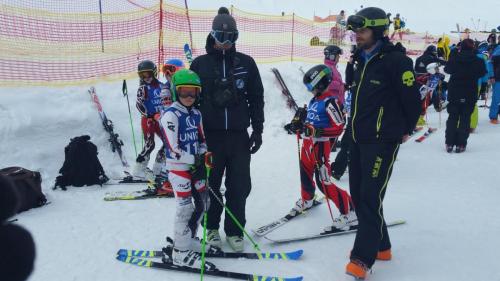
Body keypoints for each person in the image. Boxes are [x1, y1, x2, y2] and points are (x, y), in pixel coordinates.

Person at [344, 7, 421, 279]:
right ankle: (382, 246)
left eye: (362, 32)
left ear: (377, 31)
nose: (357, 36)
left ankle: (362, 258)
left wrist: (405, 129)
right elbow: (353, 104)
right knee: (360, 196)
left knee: (369, 197)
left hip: (382, 141)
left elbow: (412, 101)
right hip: (358, 138)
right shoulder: (356, 61)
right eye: (355, 32)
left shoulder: (396, 62)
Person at [189, 7, 264, 252]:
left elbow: (256, 97)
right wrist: (192, 135)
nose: (225, 43)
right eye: (221, 38)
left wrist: (258, 130)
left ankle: (234, 230)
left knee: (239, 185)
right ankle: (211, 228)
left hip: (238, 136)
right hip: (210, 137)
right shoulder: (199, 64)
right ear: (212, 36)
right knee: (211, 184)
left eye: (230, 38)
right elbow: (189, 101)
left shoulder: (246, 63)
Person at [285, 64, 356, 230]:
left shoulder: (331, 102)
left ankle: (350, 211)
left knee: (323, 182)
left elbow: (339, 126)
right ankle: (307, 198)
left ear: (321, 84)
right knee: (305, 171)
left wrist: (317, 131)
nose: (309, 90)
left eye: (311, 86)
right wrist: (297, 125)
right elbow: (309, 122)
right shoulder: (314, 100)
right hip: (308, 145)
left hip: (321, 146)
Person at [159, 69, 216, 270]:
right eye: (184, 92)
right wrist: (196, 158)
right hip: (179, 169)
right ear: (176, 92)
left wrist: (204, 153)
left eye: (193, 92)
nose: (189, 97)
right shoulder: (170, 115)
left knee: (205, 203)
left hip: (196, 167)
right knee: (185, 209)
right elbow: (173, 149)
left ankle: (189, 240)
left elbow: (201, 139)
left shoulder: (196, 114)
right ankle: (180, 253)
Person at [443, 39, 486, 152]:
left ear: (461, 47)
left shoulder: (455, 58)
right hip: (469, 91)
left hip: (455, 92)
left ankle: (449, 143)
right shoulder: (478, 60)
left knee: (453, 117)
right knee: (465, 118)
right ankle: (461, 144)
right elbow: (482, 72)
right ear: (473, 48)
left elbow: (447, 69)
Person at [134, 60, 170, 180]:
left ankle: (158, 168)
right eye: (142, 75)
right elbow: (139, 104)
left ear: (153, 73)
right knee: (150, 144)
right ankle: (139, 169)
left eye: (148, 74)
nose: (146, 77)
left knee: (167, 143)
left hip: (160, 120)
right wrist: (149, 115)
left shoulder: (162, 86)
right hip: (148, 120)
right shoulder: (143, 88)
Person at [489, 43, 500, 123]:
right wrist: (491, 76)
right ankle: (493, 116)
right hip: (497, 79)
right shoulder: (497, 52)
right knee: (496, 98)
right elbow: (489, 64)